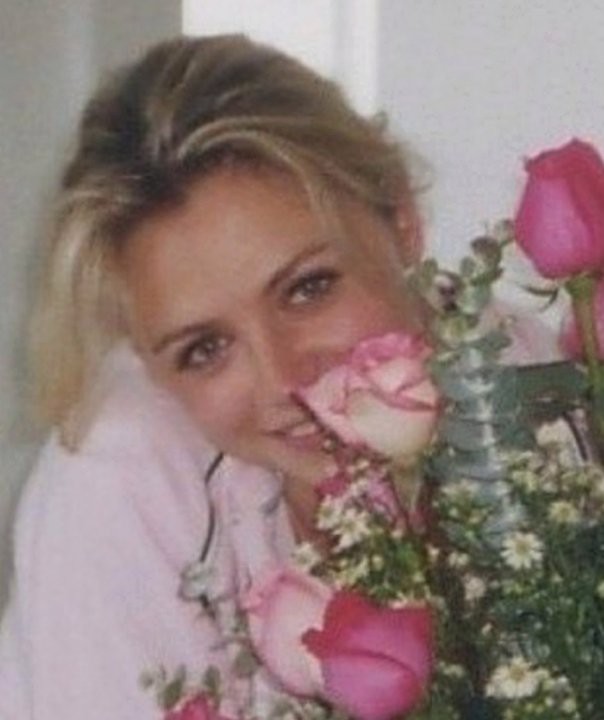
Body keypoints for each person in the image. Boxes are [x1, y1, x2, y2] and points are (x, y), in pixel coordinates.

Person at [0, 34, 428, 719]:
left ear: (402, 221)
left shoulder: (546, 389)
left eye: (308, 288)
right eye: (204, 350)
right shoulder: (119, 481)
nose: (283, 380)